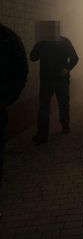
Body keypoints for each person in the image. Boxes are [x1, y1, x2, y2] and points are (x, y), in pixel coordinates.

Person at [30, 33, 78, 144]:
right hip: (49, 80)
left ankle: (64, 125)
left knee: (61, 103)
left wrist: (67, 68)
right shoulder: (44, 42)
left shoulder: (64, 41)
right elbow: (33, 57)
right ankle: (44, 133)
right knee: (47, 105)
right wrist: (39, 43)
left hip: (59, 80)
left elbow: (75, 58)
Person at [0, 22, 28, 190]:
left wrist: (6, 99)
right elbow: (32, 58)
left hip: (59, 82)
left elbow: (21, 69)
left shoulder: (7, 37)